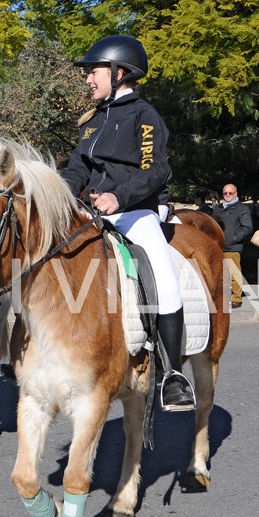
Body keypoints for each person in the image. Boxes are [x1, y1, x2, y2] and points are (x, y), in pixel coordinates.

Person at [61, 35, 194, 410]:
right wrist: (60, 196)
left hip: (135, 212)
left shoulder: (144, 115)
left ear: (119, 73)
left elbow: (157, 170)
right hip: (92, 211)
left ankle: (172, 373)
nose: (88, 78)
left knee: (162, 274)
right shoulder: (93, 120)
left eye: (94, 71)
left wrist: (120, 196)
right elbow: (76, 170)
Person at [212, 183, 253, 309]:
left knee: (234, 273)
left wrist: (233, 239)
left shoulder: (241, 209)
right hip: (218, 245)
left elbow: (247, 228)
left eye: (230, 193)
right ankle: (219, 297)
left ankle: (236, 298)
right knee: (219, 274)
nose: (228, 195)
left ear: (235, 193)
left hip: (232, 247)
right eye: (225, 193)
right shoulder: (218, 208)